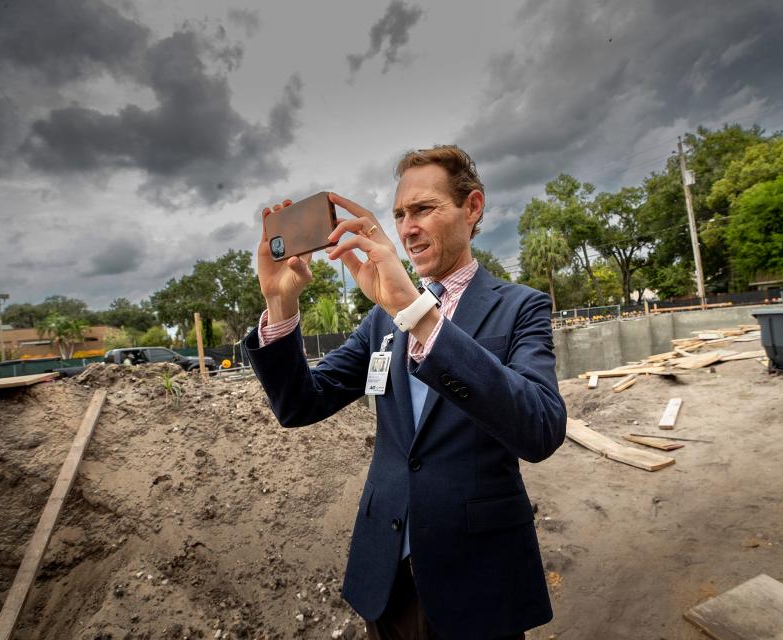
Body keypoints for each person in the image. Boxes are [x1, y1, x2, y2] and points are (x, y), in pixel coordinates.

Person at [241, 145, 566, 639]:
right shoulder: (380, 318)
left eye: (424, 210)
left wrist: (418, 313)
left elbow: (541, 428)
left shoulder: (520, 307)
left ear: (472, 208)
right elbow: (301, 404)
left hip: (478, 575)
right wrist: (280, 303)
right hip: (387, 573)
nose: (408, 227)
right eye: (399, 214)